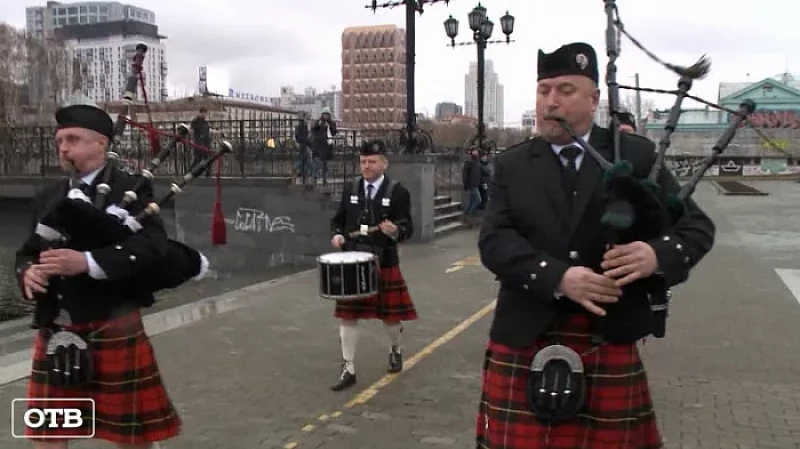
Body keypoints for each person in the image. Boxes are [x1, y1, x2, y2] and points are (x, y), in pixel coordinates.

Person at [475, 42, 715, 448]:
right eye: (544, 90)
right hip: (526, 330)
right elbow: (494, 241)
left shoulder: (635, 156)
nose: (551, 101)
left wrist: (655, 254)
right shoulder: (512, 164)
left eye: (565, 91)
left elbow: (695, 228)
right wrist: (559, 277)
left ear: (594, 98)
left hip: (608, 334)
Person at [15, 102, 181, 448]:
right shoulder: (49, 197)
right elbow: (27, 252)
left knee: (130, 438)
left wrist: (87, 261)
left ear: (100, 144)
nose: (63, 147)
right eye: (60, 140)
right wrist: (28, 272)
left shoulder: (131, 189)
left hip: (111, 324)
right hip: (56, 327)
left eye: (72, 139)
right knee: (47, 436)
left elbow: (152, 247)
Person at [328, 139, 418, 392]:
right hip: (352, 262)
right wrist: (336, 235)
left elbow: (407, 227)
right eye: (363, 161)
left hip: (384, 261)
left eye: (372, 161)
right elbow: (338, 221)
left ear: (384, 163)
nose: (366, 166)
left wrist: (394, 231)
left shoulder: (398, 191)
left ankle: (395, 349)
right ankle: (349, 368)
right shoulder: (351, 188)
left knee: (390, 318)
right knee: (347, 317)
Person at [311, 107, 337, 185]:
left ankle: (324, 179)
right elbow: (313, 129)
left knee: (325, 164)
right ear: (322, 115)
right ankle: (314, 178)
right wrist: (318, 125)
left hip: (327, 146)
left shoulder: (332, 123)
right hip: (318, 145)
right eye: (324, 114)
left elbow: (334, 132)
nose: (326, 116)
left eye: (327, 115)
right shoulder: (318, 122)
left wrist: (329, 126)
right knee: (317, 163)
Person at [462, 146, 483, 226]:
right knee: (478, 200)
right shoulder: (469, 161)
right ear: (471, 152)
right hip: (472, 184)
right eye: (474, 151)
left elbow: (478, 174)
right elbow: (465, 174)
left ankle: (465, 216)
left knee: (471, 202)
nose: (476, 152)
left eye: (477, 151)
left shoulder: (477, 161)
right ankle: (469, 215)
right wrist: (466, 184)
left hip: (476, 184)